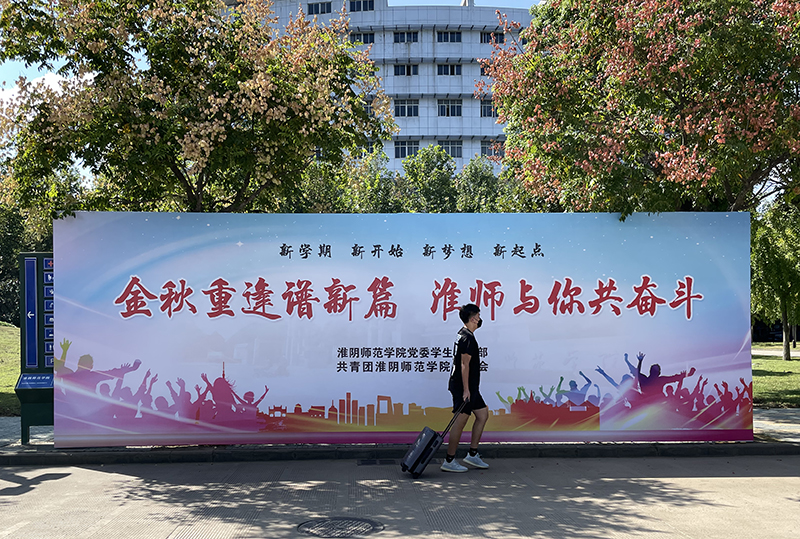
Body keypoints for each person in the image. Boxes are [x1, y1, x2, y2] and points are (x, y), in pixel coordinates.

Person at [441, 303, 489, 473]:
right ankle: (449, 460)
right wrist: (466, 390)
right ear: (473, 318)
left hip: (470, 387)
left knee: (482, 415)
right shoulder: (467, 338)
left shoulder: (464, 334)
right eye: (478, 316)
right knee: (460, 422)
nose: (480, 319)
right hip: (463, 387)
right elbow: (464, 365)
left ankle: (472, 454)